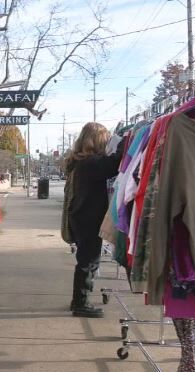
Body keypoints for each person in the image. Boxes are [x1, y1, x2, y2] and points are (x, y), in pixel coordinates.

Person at [61, 122, 123, 318]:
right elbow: (115, 164)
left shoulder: (81, 162)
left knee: (86, 260)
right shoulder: (92, 163)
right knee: (88, 262)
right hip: (88, 218)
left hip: (81, 216)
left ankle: (78, 300)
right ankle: (81, 303)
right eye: (105, 139)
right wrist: (124, 142)